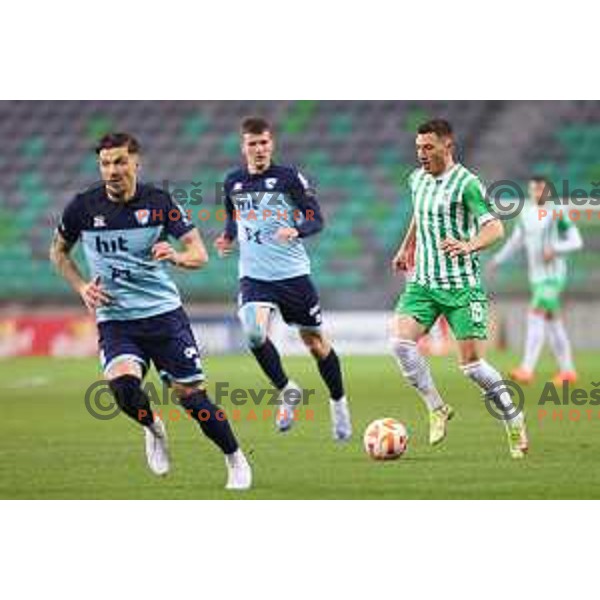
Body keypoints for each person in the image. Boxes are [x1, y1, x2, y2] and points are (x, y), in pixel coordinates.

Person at [50, 132, 251, 490]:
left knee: (193, 401)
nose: (112, 170)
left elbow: (199, 254)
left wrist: (174, 255)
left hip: (164, 316)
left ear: (135, 163)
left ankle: (234, 457)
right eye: (105, 163)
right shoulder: (83, 206)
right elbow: (58, 252)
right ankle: (153, 426)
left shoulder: (160, 202)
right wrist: (82, 286)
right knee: (124, 390)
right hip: (116, 319)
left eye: (119, 162)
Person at [390, 119, 528, 458]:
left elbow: (495, 229)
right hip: (424, 282)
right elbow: (419, 214)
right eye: (418, 147)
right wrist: (407, 246)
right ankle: (436, 407)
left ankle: (513, 417)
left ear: (447, 146)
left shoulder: (467, 184)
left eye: (428, 147)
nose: (421, 154)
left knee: (471, 366)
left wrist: (468, 245)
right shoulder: (416, 179)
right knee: (400, 343)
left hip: (461, 288)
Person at [214, 117, 352, 440]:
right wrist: (228, 237)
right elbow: (233, 216)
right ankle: (287, 390)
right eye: (252, 143)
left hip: (293, 276)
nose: (259, 149)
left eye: (264, 143)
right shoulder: (233, 182)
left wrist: (298, 228)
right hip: (254, 276)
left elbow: (316, 218)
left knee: (316, 344)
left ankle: (338, 402)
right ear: (243, 146)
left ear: (271, 144)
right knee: (253, 333)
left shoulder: (290, 178)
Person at [488, 176, 583, 385]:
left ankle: (526, 368)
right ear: (530, 191)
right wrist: (497, 260)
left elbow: (576, 241)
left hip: (553, 276)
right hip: (537, 277)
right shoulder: (526, 213)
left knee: (535, 313)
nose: (537, 193)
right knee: (553, 322)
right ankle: (568, 371)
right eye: (533, 189)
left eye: (541, 189)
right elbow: (516, 242)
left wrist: (556, 250)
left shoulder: (557, 212)